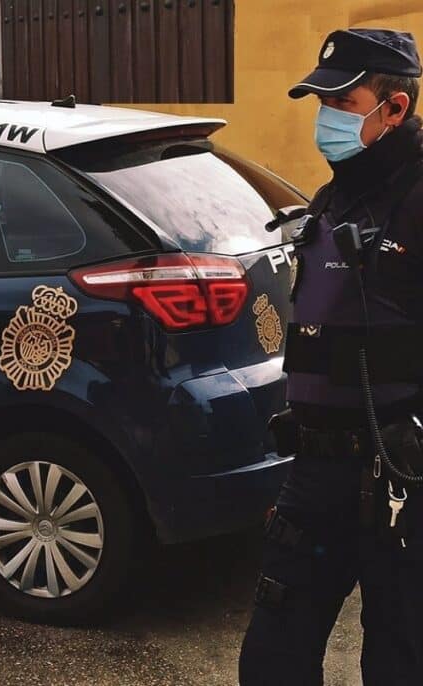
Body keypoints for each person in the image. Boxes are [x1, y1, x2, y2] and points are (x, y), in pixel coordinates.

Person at [238, 28, 423, 686]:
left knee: (400, 663)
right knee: (270, 660)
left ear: (394, 108)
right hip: (317, 474)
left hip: (402, 479)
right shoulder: (333, 199)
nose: (325, 118)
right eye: (321, 100)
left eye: (342, 102)